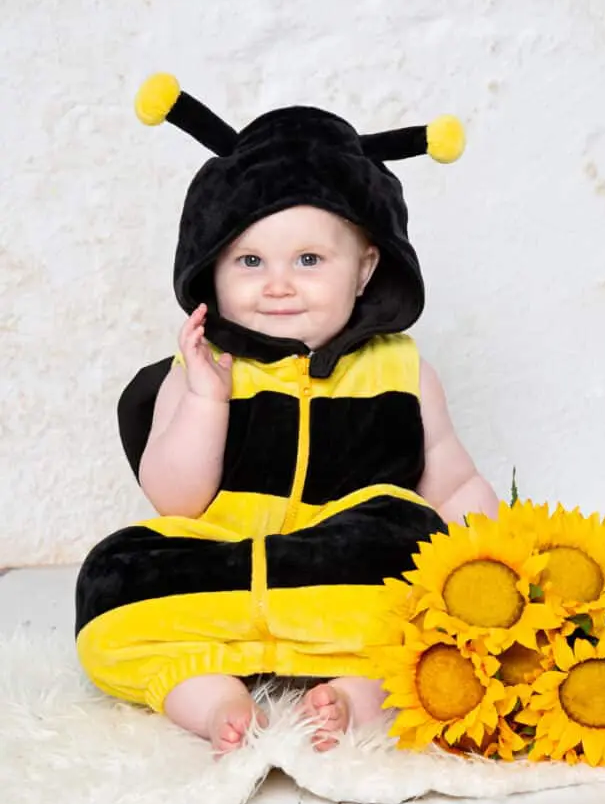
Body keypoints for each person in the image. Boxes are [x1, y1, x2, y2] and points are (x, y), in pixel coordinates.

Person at [75, 74, 499, 754]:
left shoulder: (403, 373)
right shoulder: (203, 366)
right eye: (249, 259)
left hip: (347, 584)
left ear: (364, 269)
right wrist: (207, 399)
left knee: (423, 581)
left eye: (308, 259)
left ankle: (356, 692)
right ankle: (211, 697)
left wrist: (493, 569)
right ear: (211, 268)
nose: (277, 284)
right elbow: (175, 497)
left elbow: (451, 486)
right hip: (226, 578)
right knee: (112, 581)